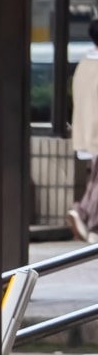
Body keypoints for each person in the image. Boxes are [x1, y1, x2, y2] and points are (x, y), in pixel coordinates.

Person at [69, 18, 98, 241]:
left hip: (87, 132)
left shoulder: (84, 65)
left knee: (95, 179)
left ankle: (83, 213)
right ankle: (89, 218)